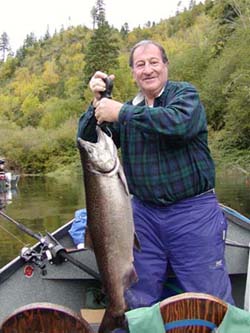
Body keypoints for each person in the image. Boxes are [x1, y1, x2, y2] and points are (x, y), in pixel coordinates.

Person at [77, 40, 234, 309]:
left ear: (165, 65)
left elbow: (178, 124)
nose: (147, 69)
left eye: (153, 62)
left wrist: (121, 112)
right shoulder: (125, 112)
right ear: (133, 72)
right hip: (143, 217)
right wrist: (98, 105)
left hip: (193, 213)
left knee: (211, 300)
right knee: (136, 298)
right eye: (140, 65)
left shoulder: (184, 96)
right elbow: (88, 140)